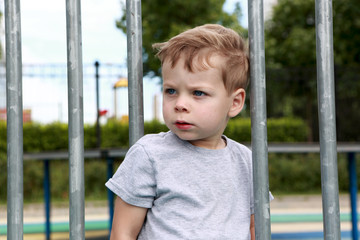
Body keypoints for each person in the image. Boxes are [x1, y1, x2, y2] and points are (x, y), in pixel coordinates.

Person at [106, 24, 255, 240]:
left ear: (235, 102)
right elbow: (123, 233)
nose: (180, 104)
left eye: (198, 93)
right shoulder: (149, 154)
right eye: (171, 91)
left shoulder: (247, 161)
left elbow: (253, 227)